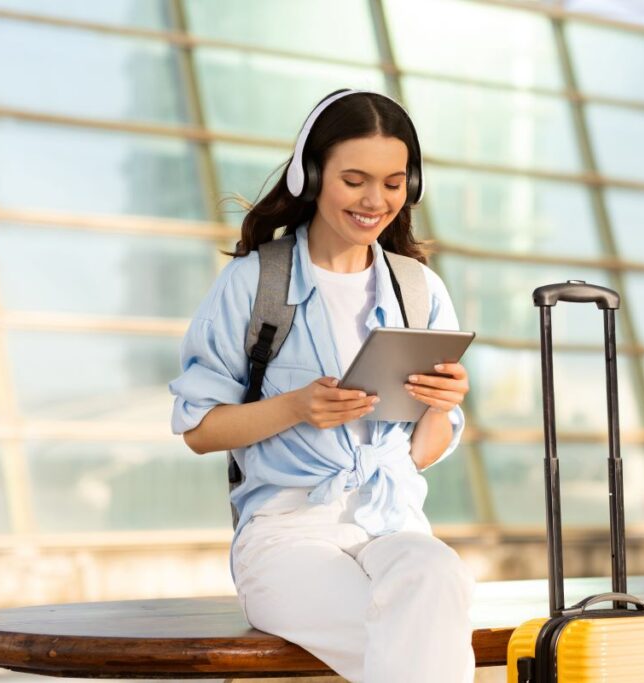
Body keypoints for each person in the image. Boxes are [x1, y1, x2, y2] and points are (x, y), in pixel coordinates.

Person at [168, 89, 476, 683]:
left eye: (392, 183)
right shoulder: (253, 282)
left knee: (436, 575)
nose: (374, 200)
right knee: (419, 637)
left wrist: (440, 407)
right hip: (285, 536)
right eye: (354, 179)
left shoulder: (418, 290)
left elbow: (420, 454)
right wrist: (296, 407)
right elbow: (200, 431)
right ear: (311, 176)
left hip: (393, 522)